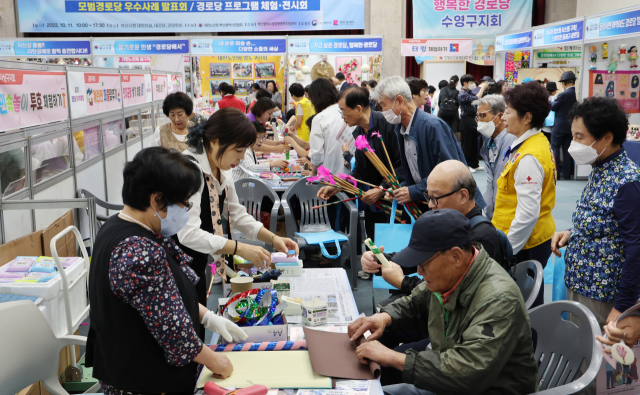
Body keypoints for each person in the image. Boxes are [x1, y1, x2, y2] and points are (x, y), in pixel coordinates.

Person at [86, 147, 248, 394]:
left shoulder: (123, 227)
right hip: (145, 379)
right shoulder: (137, 249)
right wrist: (214, 360)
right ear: (157, 200)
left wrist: (206, 316)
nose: (186, 210)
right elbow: (172, 330)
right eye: (184, 203)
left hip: (134, 369)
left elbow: (166, 292)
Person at [349, 209, 537, 395]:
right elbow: (416, 302)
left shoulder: (498, 299)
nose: (419, 272)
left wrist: (392, 357)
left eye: (423, 264)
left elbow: (468, 372)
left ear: (455, 256)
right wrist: (384, 317)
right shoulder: (455, 274)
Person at [176, 108, 299, 305]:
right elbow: (187, 233)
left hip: (196, 261)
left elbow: (236, 213)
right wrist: (238, 248)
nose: (241, 159)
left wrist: (274, 239)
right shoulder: (188, 169)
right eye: (239, 151)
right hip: (176, 264)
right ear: (216, 141)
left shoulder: (220, 166)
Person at [551, 97, 640, 329]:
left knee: (594, 357)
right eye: (573, 136)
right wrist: (573, 232)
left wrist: (623, 306)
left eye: (580, 137)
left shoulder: (626, 182)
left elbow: (636, 248)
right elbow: (604, 220)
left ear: (607, 138)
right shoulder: (601, 168)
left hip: (600, 293)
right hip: (581, 281)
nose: (573, 144)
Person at [362, 160, 505, 303]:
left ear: (463, 195)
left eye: (435, 198)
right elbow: (415, 258)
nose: (430, 205)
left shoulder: (482, 237)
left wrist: (402, 282)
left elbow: (457, 298)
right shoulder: (446, 224)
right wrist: (379, 260)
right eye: (428, 197)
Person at [371, 76, 486, 207]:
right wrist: (402, 189)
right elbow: (416, 173)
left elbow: (450, 175)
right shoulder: (401, 129)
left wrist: (413, 191)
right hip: (432, 202)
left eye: (382, 105)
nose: (381, 111)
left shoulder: (433, 126)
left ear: (399, 101)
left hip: (457, 206)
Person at [493, 82, 556, 308]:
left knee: (524, 305)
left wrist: (507, 251)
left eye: (508, 112)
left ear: (527, 117)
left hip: (525, 242)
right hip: (529, 237)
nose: (503, 117)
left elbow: (528, 214)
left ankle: (530, 343)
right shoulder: (534, 143)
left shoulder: (529, 156)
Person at [317, 87, 404, 241]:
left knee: (394, 255)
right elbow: (360, 172)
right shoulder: (359, 133)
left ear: (358, 109)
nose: (343, 117)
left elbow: (401, 164)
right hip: (375, 203)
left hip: (397, 201)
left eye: (344, 111)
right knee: (376, 254)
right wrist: (338, 186)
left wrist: (382, 189)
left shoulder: (388, 125)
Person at [474, 94, 516, 220]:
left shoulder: (513, 142)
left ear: (499, 117)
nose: (479, 121)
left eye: (483, 115)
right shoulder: (488, 143)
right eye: (478, 116)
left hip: (509, 214)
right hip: (492, 212)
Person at [307, 78, 355, 174]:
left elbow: (317, 154)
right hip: (353, 173)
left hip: (329, 175)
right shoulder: (350, 112)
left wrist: (313, 173)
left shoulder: (320, 118)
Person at [458, 74, 488, 173]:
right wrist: (482, 88)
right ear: (465, 83)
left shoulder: (469, 92)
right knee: (467, 144)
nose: (472, 85)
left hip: (472, 119)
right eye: (471, 83)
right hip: (465, 120)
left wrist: (481, 87)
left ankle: (474, 164)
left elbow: (476, 93)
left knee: (474, 143)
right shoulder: (462, 94)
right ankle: (466, 165)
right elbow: (475, 98)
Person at [551, 71, 578, 180]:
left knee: (555, 148)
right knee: (567, 150)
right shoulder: (578, 93)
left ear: (564, 83)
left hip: (559, 126)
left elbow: (553, 107)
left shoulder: (562, 95)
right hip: (571, 126)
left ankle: (556, 173)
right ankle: (567, 174)